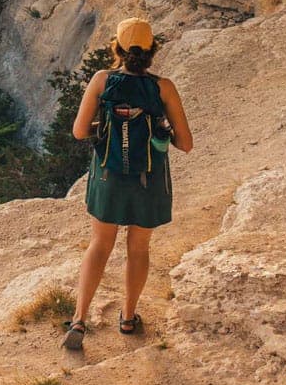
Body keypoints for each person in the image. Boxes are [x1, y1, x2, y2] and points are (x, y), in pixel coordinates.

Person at [62, 17, 192, 350]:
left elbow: (78, 132)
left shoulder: (102, 81)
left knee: (100, 245)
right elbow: (186, 143)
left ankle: (79, 318)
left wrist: (107, 123)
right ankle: (128, 318)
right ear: (152, 51)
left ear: (117, 48)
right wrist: (157, 127)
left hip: (109, 175)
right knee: (138, 249)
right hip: (148, 179)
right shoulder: (163, 87)